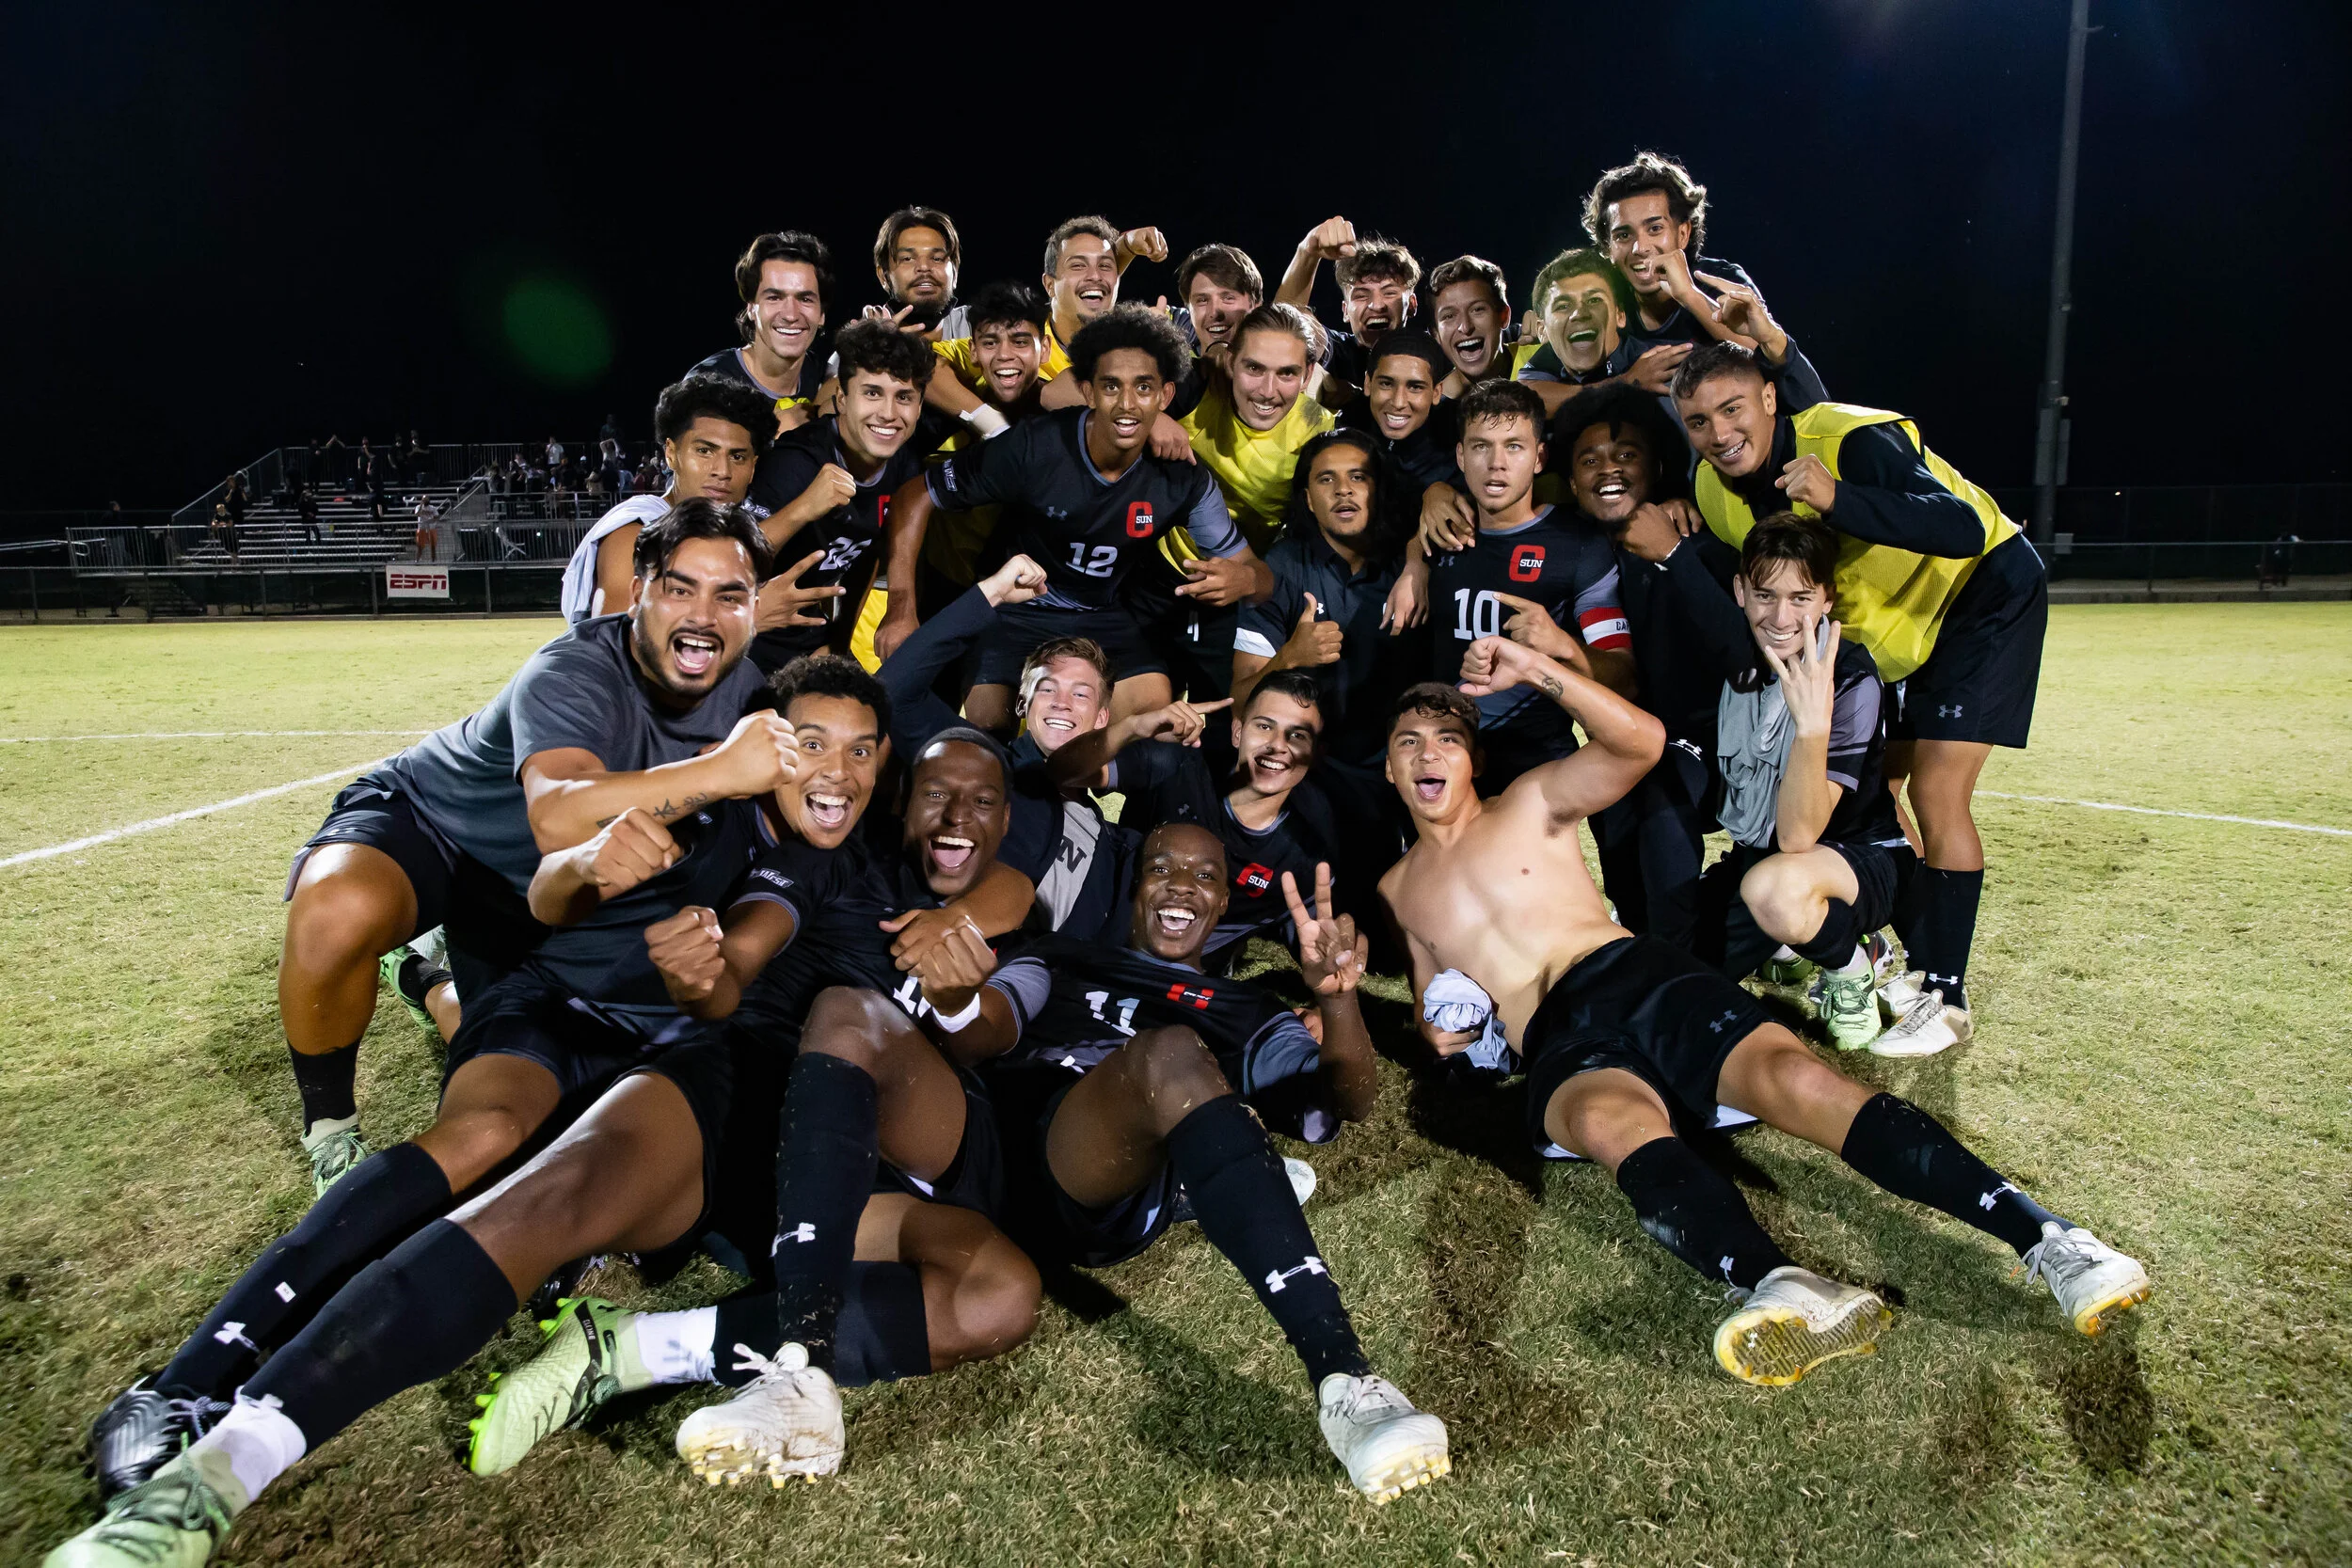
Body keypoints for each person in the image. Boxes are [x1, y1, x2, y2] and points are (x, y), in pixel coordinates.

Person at [44, 669, 1038, 1564]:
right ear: (765, 738)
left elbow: (1008, 865)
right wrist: (690, 952)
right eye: (812, 742)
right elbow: (611, 901)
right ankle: (209, 1467)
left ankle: (628, 1343)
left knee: (994, 1288)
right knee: (519, 1177)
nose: (840, 768)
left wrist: (968, 914)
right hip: (643, 1040)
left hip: (752, 1116)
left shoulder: (870, 847)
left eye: (863, 751)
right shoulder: (715, 807)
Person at [1378, 647, 2151, 1390]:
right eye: (1408, 741)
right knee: (1612, 1130)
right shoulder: (1397, 888)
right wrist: (1439, 1031)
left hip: (1636, 973)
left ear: (1471, 761)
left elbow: (1639, 741)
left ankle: (2051, 1240)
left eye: (1447, 738)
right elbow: (1430, 999)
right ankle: (1780, 1284)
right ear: (1389, 767)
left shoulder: (1530, 801)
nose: (1427, 753)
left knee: (1796, 1078)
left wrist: (1539, 671)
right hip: (1556, 1036)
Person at [464, 698, 1043, 1484]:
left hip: (907, 1165)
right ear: (901, 798)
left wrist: (967, 931)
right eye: (936, 792)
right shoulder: (834, 865)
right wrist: (713, 971)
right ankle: (801, 1369)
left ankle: (627, 1348)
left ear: (1011, 823)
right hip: (796, 1154)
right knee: (849, 1013)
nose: (957, 816)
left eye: (982, 802)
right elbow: (747, 943)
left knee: (1002, 1296)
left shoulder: (1014, 906)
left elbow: (1006, 912)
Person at [273, 501, 787, 1194]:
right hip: (439, 824)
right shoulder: (574, 667)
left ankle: (427, 982)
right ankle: (330, 1130)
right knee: (338, 909)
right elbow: (560, 820)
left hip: (545, 895)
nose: (703, 614)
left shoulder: (755, 694)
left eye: (730, 596)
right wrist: (720, 770)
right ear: (638, 591)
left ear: (758, 609)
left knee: (533, 1088)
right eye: (679, 587)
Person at [955, 829, 1451, 1503]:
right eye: (1161, 867)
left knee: (1170, 1055)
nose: (1181, 883)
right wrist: (958, 1000)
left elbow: (1343, 1104)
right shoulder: (1061, 956)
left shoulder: (1248, 1012)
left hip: (1085, 1183)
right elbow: (992, 1022)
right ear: (1136, 891)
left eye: (1203, 875)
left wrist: (1337, 1001)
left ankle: (1346, 1382)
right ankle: (1215, 1181)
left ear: (1222, 904)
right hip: (990, 1148)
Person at [1674, 341, 2047, 1024]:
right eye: (1697, 421)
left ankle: (1943, 992)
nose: (1719, 433)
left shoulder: (1848, 438)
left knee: (1937, 790)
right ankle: (1866, 949)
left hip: (1978, 595)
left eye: (1732, 409)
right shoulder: (1708, 485)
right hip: (1893, 633)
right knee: (1877, 793)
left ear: (1768, 399)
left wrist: (1840, 497)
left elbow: (1962, 525)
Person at [873, 306, 1270, 729]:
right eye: (1111, 386)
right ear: (1088, 391)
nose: (1127, 404)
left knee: (1155, 721)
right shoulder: (1033, 449)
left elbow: (1255, 573)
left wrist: (1246, 579)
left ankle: (1079, 792)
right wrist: (900, 606)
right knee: (991, 724)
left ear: (1165, 397)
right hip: (1014, 610)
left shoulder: (1183, 479)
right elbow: (916, 495)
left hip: (1100, 613)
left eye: (1144, 388)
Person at [1690, 514, 1955, 1053]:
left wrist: (1811, 728)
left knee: (1776, 890)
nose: (1781, 616)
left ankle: (1851, 967)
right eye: (1764, 595)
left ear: (1827, 599)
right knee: (1675, 965)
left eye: (1801, 597)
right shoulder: (1734, 663)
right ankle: (1787, 949)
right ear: (1740, 591)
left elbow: (1797, 838)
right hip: (1759, 857)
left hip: (1858, 856)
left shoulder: (1851, 674)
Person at [1542, 384, 1748, 948]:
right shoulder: (1578, 551)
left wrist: (1676, 557)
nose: (1607, 470)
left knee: (1657, 790)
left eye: (1625, 455)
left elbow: (1745, 659)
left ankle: (1675, 964)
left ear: (1656, 465)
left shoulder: (1698, 545)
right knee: (1610, 800)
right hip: (1630, 738)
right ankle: (1639, 943)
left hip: (1720, 745)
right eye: (1589, 460)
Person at [1403, 380, 1633, 795]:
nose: (1496, 463)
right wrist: (1413, 562)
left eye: (1514, 446)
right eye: (1480, 446)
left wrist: (1561, 645)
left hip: (1538, 761)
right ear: (1460, 455)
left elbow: (1624, 676)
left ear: (1539, 457)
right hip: (1444, 759)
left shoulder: (1579, 545)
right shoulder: (1438, 532)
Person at [1232, 428, 1422, 902]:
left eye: (1359, 477)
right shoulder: (1282, 570)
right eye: (1327, 480)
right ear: (1308, 500)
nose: (1344, 490)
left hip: (1403, 761)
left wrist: (1419, 563)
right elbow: (1239, 700)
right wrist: (1291, 657)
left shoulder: (1411, 559)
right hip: (1318, 768)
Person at [1047, 673, 1339, 965]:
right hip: (1098, 923)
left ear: (1315, 754)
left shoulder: (1305, 853)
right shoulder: (1181, 763)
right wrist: (1130, 728)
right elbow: (1062, 771)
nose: (1278, 745)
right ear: (1237, 731)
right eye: (1264, 726)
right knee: (1057, 807)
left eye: (1297, 735)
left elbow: (1318, 942)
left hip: (1178, 976)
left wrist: (1336, 957)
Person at [744, 320, 945, 671]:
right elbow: (732, 559)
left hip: (807, 636)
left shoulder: (904, 466)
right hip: (744, 630)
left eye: (904, 397)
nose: (888, 413)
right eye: (872, 393)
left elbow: (865, 557)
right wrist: (803, 508)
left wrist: (841, 641)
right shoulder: (797, 461)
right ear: (841, 399)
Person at [561, 374, 776, 623]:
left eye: (737, 457)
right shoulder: (635, 530)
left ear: (753, 467)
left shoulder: (727, 534)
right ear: (671, 453)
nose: (723, 471)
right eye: (704, 451)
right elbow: (615, 645)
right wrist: (747, 618)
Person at [908, 280, 1055, 610]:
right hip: (943, 589)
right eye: (990, 342)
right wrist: (990, 424)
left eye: (1020, 341)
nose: (1004, 355)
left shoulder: (1061, 420)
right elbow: (916, 359)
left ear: (1044, 349)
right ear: (973, 350)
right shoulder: (945, 411)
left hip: (1034, 599)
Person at [691, 231, 833, 432]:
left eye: (805, 299)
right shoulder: (709, 385)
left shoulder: (818, 373)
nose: (791, 315)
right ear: (751, 308)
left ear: (822, 314)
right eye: (774, 297)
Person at [1274, 217, 1420, 404]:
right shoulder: (1338, 353)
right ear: (1345, 311)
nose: (1376, 305)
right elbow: (1284, 327)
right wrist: (1308, 251)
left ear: (1412, 304)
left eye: (1389, 293)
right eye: (1361, 295)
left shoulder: (1434, 355)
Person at [1339, 329, 1461, 493]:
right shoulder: (1343, 430)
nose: (1398, 402)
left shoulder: (1460, 445)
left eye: (1415, 387)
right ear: (1368, 383)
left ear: (1436, 393)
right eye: (1386, 384)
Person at [866, 205, 962, 333]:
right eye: (907, 259)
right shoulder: (863, 343)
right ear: (883, 276)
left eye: (937, 258)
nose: (924, 267)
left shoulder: (982, 327)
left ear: (955, 273)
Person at [1424, 255, 1511, 394]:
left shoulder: (1542, 365)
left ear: (1504, 316)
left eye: (1477, 310)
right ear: (1435, 334)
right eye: (1449, 316)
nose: (1465, 327)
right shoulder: (1432, 409)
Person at [412, 495, 441, 562]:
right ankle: (417, 560)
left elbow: (437, 516)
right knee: (420, 546)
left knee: (433, 546)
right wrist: (421, 505)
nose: (425, 500)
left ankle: (433, 561)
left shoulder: (433, 508)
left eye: (426, 499)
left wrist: (432, 520)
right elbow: (417, 514)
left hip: (431, 528)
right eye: (424, 499)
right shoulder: (418, 507)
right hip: (422, 528)